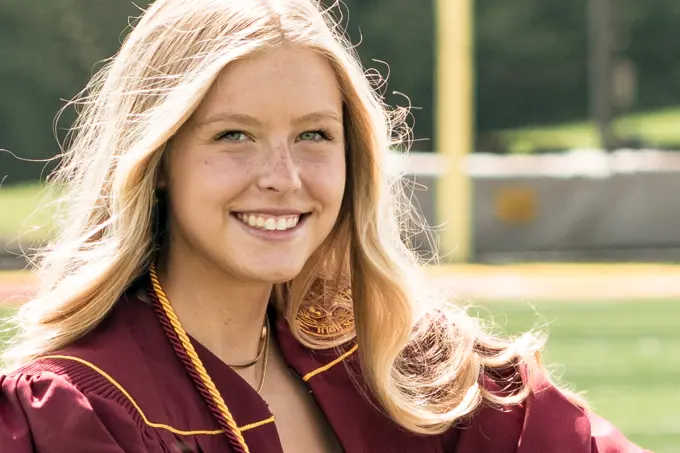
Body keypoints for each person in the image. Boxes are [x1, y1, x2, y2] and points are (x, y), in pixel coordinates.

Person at [0, 1, 648, 452]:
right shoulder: (79, 410)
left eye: (314, 134)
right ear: (159, 159)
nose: (284, 176)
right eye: (235, 136)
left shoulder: (402, 360)